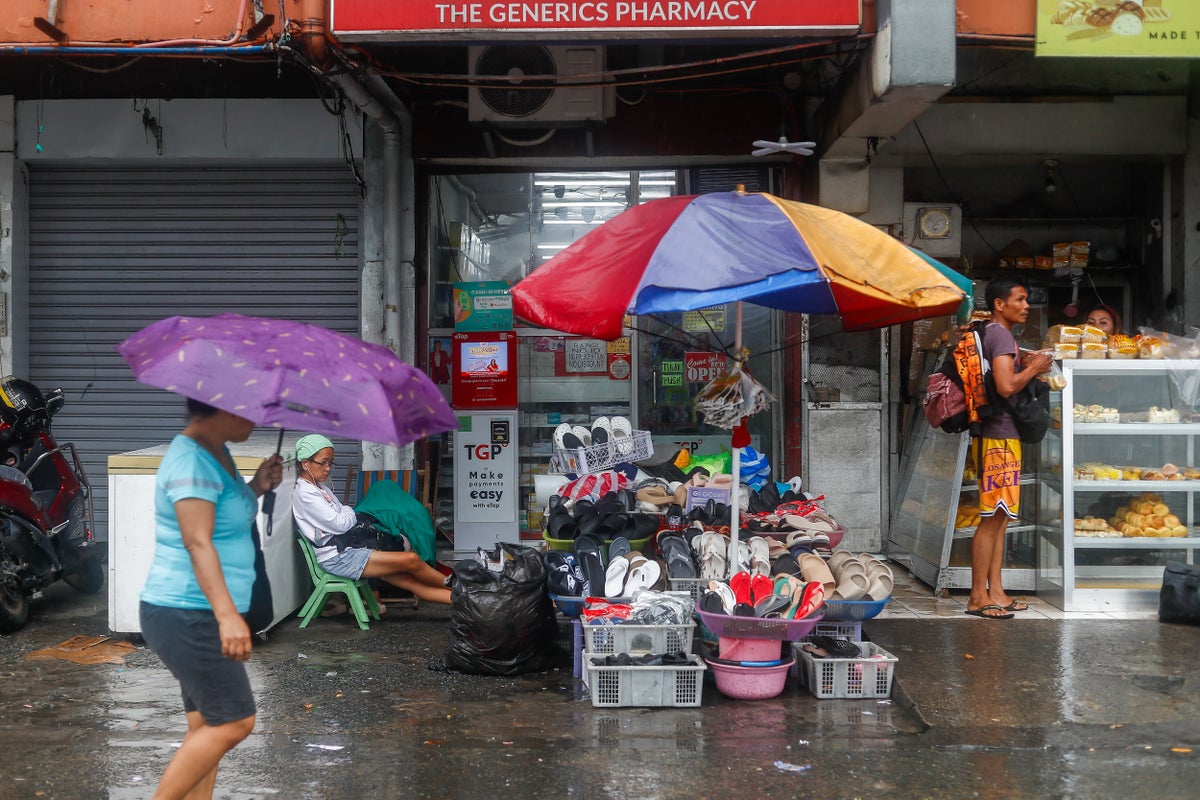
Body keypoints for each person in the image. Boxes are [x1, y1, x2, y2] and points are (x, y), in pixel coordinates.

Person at [139, 399, 283, 800]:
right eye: (251, 408)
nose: (258, 418)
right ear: (227, 407)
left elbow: (222, 518)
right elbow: (197, 541)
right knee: (235, 721)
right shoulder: (191, 462)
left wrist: (256, 487)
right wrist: (227, 617)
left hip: (198, 610)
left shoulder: (217, 453)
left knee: (206, 726)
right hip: (189, 611)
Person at [968, 276, 1053, 620]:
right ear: (999, 304)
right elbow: (1005, 386)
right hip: (999, 438)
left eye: (1026, 299)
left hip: (1001, 436)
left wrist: (1026, 362)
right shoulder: (999, 334)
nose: (1026, 305)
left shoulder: (995, 334)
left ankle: (997, 591)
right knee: (991, 519)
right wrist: (1034, 367)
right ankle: (977, 596)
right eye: (1018, 299)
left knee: (1000, 518)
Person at [291, 434, 452, 605]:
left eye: (330, 462)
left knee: (410, 580)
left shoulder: (319, 488)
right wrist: (347, 510)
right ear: (305, 463)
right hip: (338, 557)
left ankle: (469, 599)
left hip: (348, 551)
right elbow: (340, 523)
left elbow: (343, 517)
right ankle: (461, 589)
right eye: (323, 462)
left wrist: (345, 512)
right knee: (411, 560)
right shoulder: (306, 494)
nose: (328, 468)